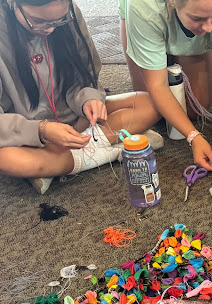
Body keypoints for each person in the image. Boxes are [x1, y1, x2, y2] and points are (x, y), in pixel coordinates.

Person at [0, 0, 161, 194]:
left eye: (59, 21)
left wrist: (89, 99)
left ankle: (58, 164)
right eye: (39, 21)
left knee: (151, 103)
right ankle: (114, 150)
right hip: (24, 133)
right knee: (7, 159)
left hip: (76, 120)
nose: (50, 29)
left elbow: (85, 72)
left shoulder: (70, 13)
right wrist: (40, 130)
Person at [119, 0, 212, 178]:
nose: (209, 27)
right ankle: (159, 39)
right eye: (198, 18)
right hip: (148, 15)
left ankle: (195, 33)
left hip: (173, 17)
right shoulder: (143, 7)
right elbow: (157, 85)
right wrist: (193, 137)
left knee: (195, 109)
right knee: (153, 108)